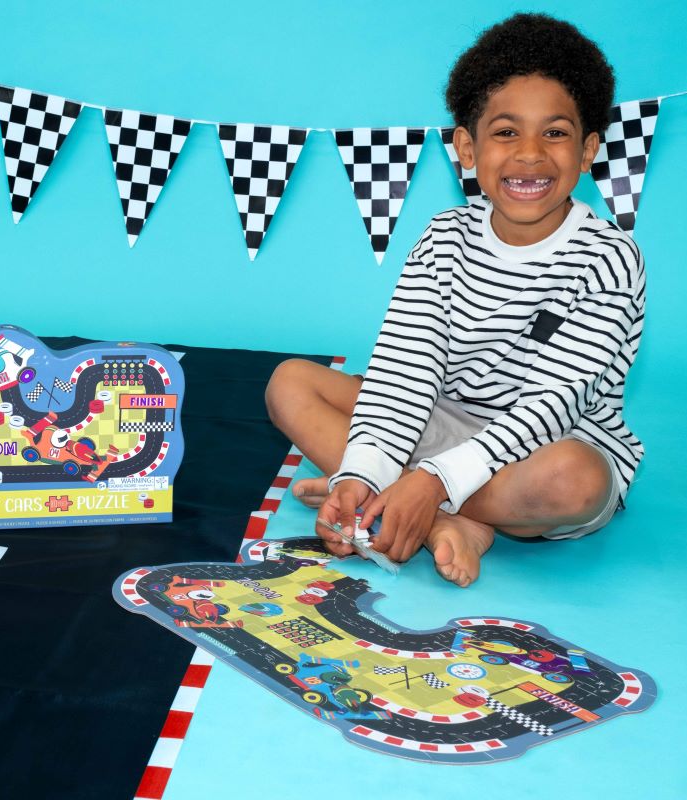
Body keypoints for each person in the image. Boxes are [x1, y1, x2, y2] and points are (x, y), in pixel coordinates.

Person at [265, 13, 645, 587]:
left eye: (555, 133)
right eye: (506, 132)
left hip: (547, 445)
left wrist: (432, 482)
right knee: (290, 382)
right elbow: (404, 371)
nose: (531, 154)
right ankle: (432, 514)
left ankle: (418, 501)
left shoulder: (610, 257)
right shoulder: (444, 237)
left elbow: (554, 404)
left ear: (589, 149)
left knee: (577, 482)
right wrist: (362, 473)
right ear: (467, 147)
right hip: (440, 421)